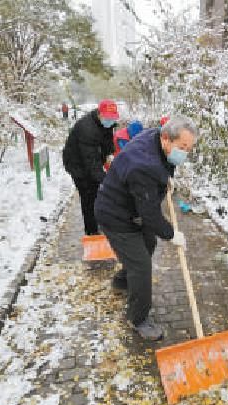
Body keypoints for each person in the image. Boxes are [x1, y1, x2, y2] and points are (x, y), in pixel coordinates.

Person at [94, 116, 196, 340]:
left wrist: (165, 178)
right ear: (166, 139)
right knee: (141, 266)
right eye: (182, 147)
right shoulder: (144, 166)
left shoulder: (154, 137)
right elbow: (150, 215)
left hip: (131, 207)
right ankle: (138, 318)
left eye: (189, 149)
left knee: (148, 243)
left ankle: (122, 281)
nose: (185, 153)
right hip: (116, 215)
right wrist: (172, 234)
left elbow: (162, 166)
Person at [63, 99, 119, 235]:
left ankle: (98, 221)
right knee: (88, 195)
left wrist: (110, 155)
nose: (110, 121)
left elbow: (108, 141)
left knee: (97, 191)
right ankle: (91, 231)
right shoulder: (86, 129)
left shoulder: (106, 123)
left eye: (113, 118)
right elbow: (92, 164)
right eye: (108, 118)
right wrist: (109, 182)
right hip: (77, 164)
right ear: (100, 114)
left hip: (91, 159)